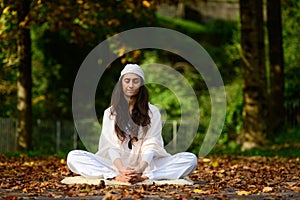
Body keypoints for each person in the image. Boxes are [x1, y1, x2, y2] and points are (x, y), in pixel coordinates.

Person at [67, 64, 198, 184]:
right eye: (127, 80)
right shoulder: (110, 113)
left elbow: (151, 144)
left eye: (135, 81)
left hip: (146, 166)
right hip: (115, 165)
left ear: (141, 84)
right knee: (73, 157)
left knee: (190, 159)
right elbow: (110, 146)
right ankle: (115, 177)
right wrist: (121, 170)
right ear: (121, 83)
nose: (131, 85)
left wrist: (140, 170)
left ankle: (145, 178)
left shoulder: (153, 112)